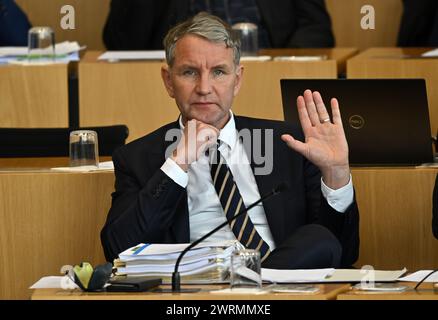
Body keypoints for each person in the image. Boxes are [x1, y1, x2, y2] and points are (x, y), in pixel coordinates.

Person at [101, 13, 359, 269]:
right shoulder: (137, 157)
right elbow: (118, 250)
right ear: (169, 81)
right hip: (193, 284)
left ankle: (254, 279)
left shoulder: (288, 144)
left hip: (278, 281)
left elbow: (341, 251)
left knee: (318, 238)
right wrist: (177, 163)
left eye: (219, 72)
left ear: (237, 80)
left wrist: (336, 175)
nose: (204, 87)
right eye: (189, 72)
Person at [103, 0, 334, 50]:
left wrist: (282, 64)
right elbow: (119, 41)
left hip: (267, 72)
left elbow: (316, 28)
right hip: (182, 79)